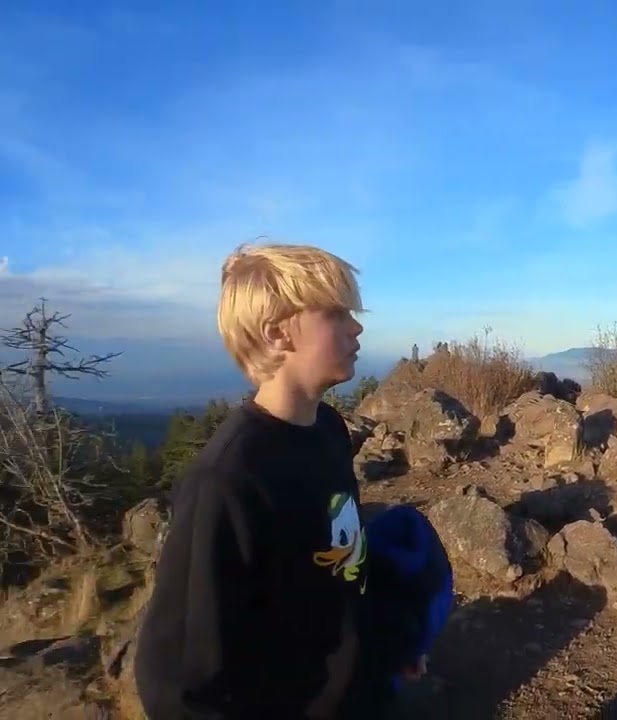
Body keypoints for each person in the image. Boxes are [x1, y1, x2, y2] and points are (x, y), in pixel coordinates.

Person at [133, 243, 439, 718]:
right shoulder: (229, 479)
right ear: (278, 335)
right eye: (337, 313)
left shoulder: (329, 431)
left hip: (356, 694)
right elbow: (179, 682)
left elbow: (345, 565)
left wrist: (390, 643)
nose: (357, 327)